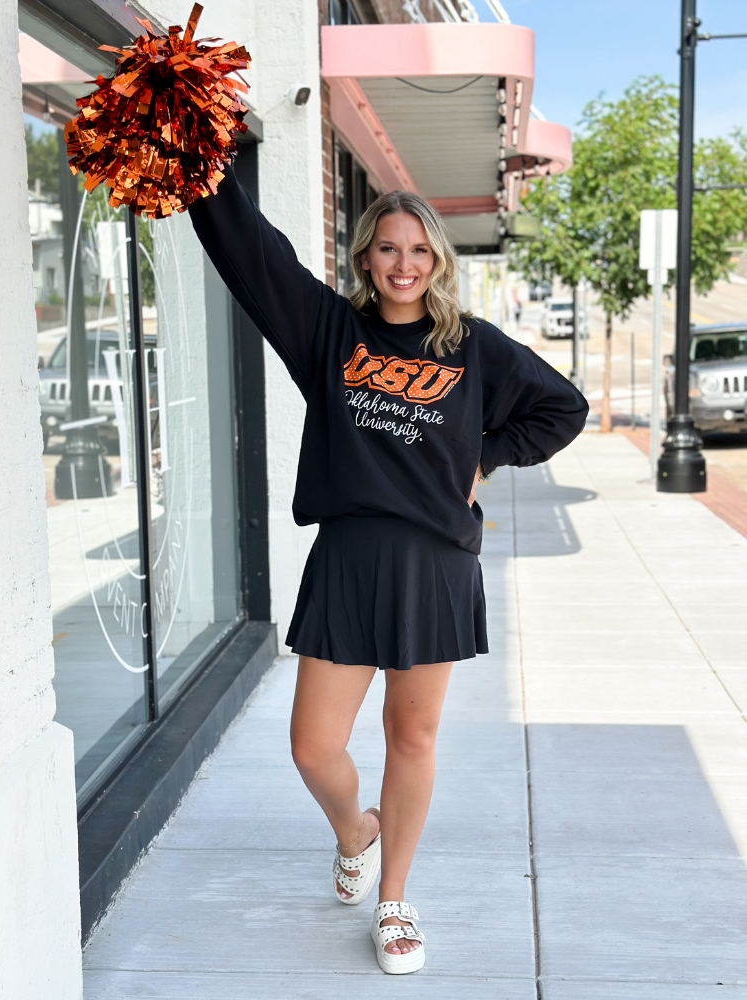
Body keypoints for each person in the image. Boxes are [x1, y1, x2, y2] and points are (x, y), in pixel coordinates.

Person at [188, 168, 588, 975]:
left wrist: (486, 455)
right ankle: (354, 832)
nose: (404, 265)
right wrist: (200, 167)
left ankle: (394, 899)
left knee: (411, 736)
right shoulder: (328, 332)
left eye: (418, 251)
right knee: (313, 747)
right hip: (349, 556)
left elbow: (563, 408)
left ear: (437, 260)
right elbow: (253, 254)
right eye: (388, 249)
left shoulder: (473, 346)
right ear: (365, 257)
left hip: (435, 564)